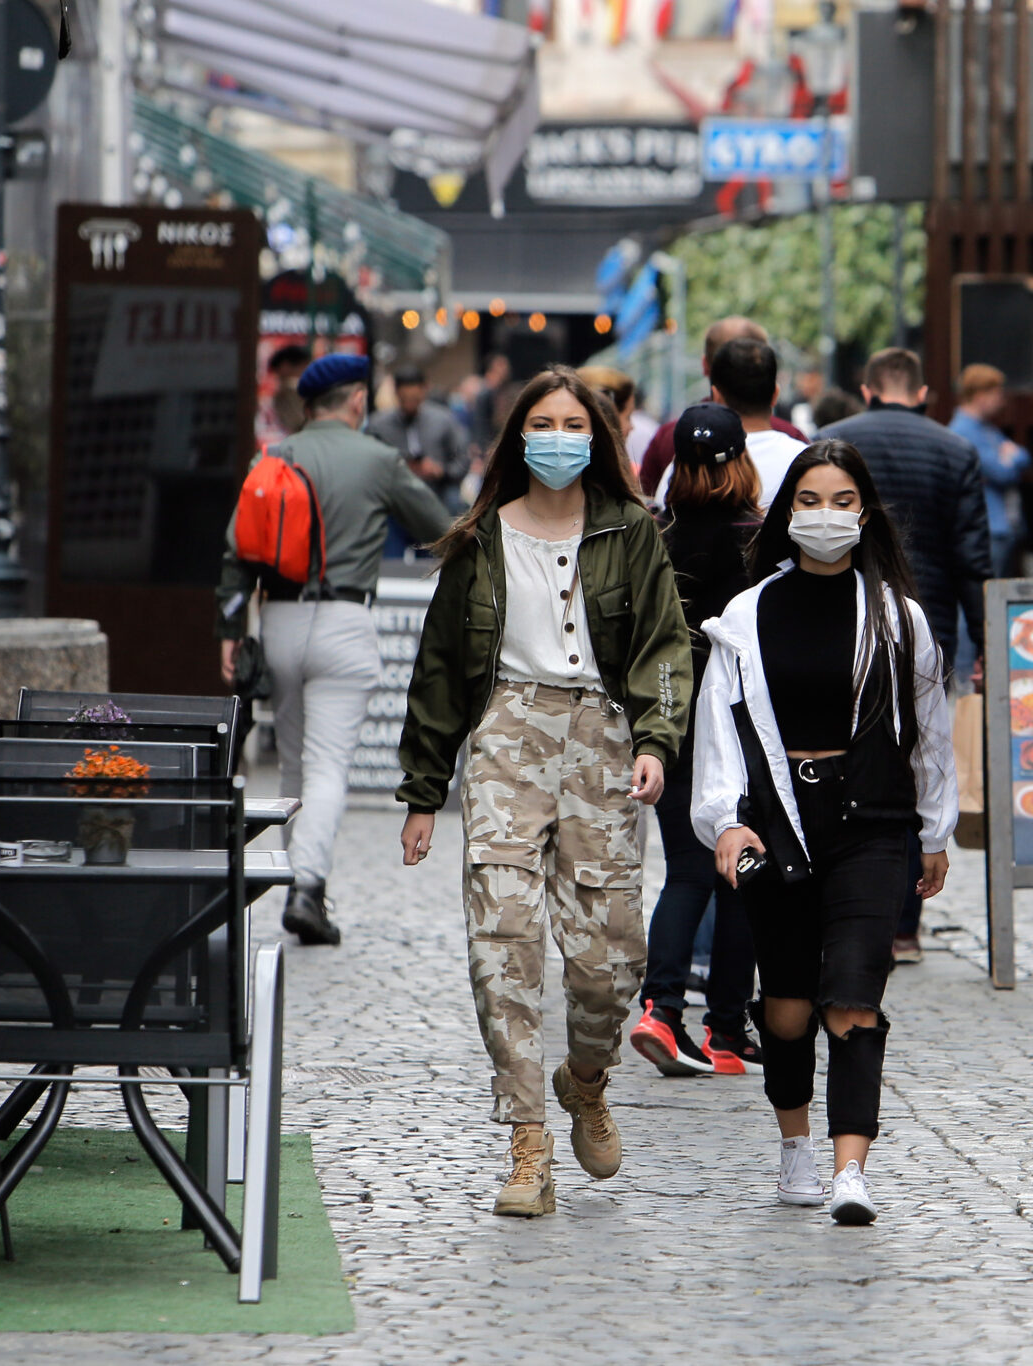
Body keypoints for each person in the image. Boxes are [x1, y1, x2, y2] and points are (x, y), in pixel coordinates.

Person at [396, 366, 693, 1219]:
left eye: (575, 423)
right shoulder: (481, 537)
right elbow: (441, 671)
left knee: (608, 960)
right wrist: (424, 792)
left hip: (603, 736)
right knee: (503, 941)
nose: (559, 436)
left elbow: (666, 648)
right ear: (517, 436)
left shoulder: (631, 531)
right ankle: (527, 1143)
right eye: (543, 422)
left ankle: (585, 1080)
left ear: (597, 437)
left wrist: (655, 740)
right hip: (507, 735)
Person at [692, 440, 955, 1224]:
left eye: (843, 502)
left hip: (871, 822)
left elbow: (931, 732)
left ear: (865, 513)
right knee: (788, 1005)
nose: (827, 517)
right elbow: (720, 729)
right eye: (810, 501)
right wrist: (726, 823)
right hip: (779, 824)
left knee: (854, 998)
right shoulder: (747, 614)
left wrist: (935, 831)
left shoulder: (897, 617)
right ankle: (795, 1150)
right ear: (786, 513)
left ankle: (851, 1173)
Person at [216, 353, 453, 947]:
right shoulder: (377, 460)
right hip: (345, 621)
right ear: (355, 401)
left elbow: (237, 550)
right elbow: (441, 529)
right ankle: (307, 889)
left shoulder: (270, 457)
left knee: (294, 763)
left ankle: (305, 887)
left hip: (278, 621)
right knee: (326, 767)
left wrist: (229, 630)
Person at [820, 348, 990, 963]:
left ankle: (845, 900)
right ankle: (905, 923)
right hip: (929, 623)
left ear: (867, 390)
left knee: (844, 755)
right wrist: (983, 645)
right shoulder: (957, 450)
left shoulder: (834, 440)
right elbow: (974, 559)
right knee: (917, 762)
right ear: (923, 394)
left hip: (844, 617)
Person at [628, 405, 764, 1078]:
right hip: (742, 728)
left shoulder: (655, 535)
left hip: (670, 716)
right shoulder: (760, 540)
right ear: (741, 461)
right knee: (739, 875)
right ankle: (727, 1033)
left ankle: (660, 1008)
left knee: (685, 869)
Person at [637, 317, 807, 495]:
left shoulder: (672, 438)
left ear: (705, 365)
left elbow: (650, 509)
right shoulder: (796, 445)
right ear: (775, 394)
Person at [948, 363, 1031, 578]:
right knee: (987, 598)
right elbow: (1002, 473)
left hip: (1001, 528)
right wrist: (1008, 457)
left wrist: (1011, 458)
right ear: (980, 395)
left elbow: (1023, 457)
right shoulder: (963, 432)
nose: (1002, 400)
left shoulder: (987, 429)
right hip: (988, 530)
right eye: (997, 393)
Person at [370, 365, 472, 511]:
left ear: (425, 390)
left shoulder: (443, 420)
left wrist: (441, 471)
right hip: (395, 495)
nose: (410, 404)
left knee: (454, 501)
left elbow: (462, 460)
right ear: (397, 393)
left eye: (415, 399)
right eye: (405, 399)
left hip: (438, 492)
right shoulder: (379, 425)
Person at [255, 343, 311, 450]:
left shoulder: (289, 391)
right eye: (306, 365)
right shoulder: (291, 391)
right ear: (285, 366)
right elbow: (298, 423)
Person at [787, 365, 826, 436]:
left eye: (813, 380)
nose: (810, 385)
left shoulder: (827, 403)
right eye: (806, 380)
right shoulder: (792, 406)